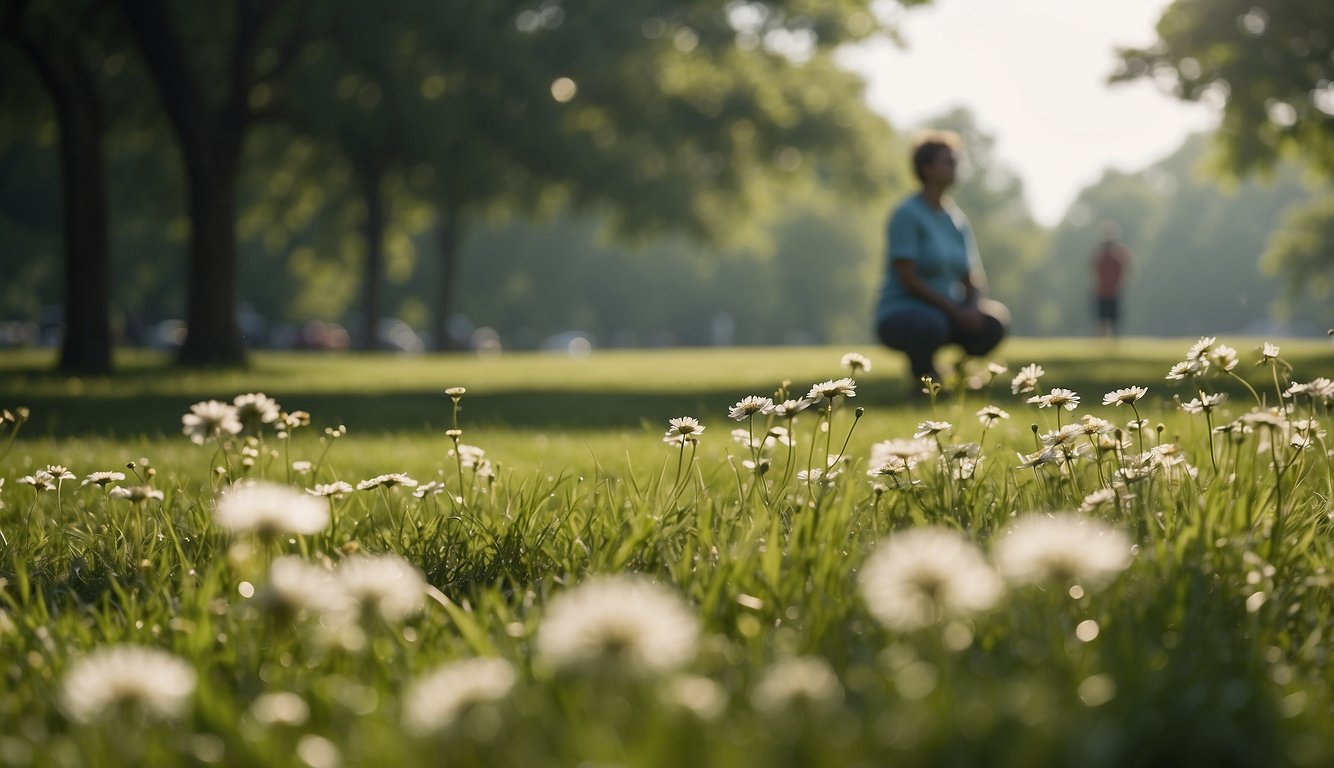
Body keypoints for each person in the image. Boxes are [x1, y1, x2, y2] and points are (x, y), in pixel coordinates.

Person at [874, 132, 1009, 389]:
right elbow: (909, 279)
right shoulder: (906, 214)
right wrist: (954, 310)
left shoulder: (956, 219)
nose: (956, 166)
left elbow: (972, 277)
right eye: (949, 161)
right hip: (902, 313)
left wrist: (971, 307)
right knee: (931, 323)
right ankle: (923, 380)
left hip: (949, 312)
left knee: (994, 321)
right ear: (927, 169)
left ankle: (958, 373)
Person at [1091, 222, 1132, 339]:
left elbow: (1127, 267)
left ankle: (1113, 340)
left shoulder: (1119, 252)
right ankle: (1100, 340)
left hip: (1113, 291)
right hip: (1102, 291)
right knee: (1101, 319)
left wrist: (1121, 284)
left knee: (1114, 320)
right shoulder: (1100, 253)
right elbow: (1094, 270)